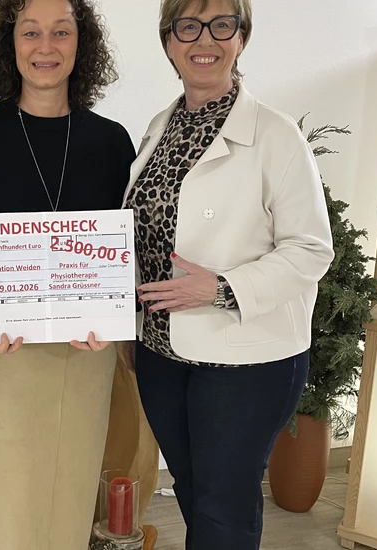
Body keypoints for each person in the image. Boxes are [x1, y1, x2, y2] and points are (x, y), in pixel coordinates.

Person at [0, 0, 157, 548]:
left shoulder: (112, 142)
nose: (45, 47)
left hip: (88, 352)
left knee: (72, 491)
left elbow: (125, 247)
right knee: (4, 498)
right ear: (9, 44)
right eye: (30, 32)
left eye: (61, 33)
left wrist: (114, 318)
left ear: (82, 45)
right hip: (7, 349)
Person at [124, 0, 335, 548]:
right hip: (162, 353)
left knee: (224, 509)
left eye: (222, 25)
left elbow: (311, 249)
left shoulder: (275, 135)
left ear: (241, 38)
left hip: (244, 360)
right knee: (195, 494)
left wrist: (221, 288)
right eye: (188, 26)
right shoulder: (161, 127)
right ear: (168, 42)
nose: (205, 40)